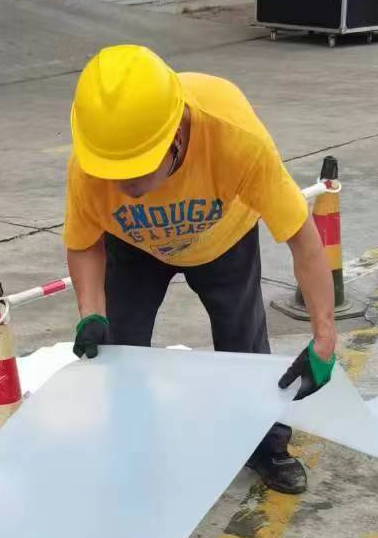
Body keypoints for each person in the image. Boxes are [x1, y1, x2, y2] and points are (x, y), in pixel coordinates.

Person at [62, 44, 336, 494]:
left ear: (175, 141)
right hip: (133, 246)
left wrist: (324, 336)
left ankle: (267, 446)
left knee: (243, 346)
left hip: (223, 238)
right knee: (119, 349)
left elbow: (303, 239)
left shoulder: (235, 139)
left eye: (135, 175)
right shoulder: (91, 164)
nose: (122, 187)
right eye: (113, 174)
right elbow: (84, 243)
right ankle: (130, 445)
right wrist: (91, 311)